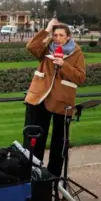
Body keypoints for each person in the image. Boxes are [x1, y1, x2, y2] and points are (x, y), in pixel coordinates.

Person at [24, 18, 86, 177]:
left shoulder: (77, 53)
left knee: (59, 142)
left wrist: (63, 65)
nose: (57, 38)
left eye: (60, 35)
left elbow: (80, 78)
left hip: (62, 101)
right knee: (35, 139)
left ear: (68, 37)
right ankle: (33, 174)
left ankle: (54, 178)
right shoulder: (46, 48)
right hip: (40, 97)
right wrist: (47, 29)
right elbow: (31, 46)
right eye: (55, 34)